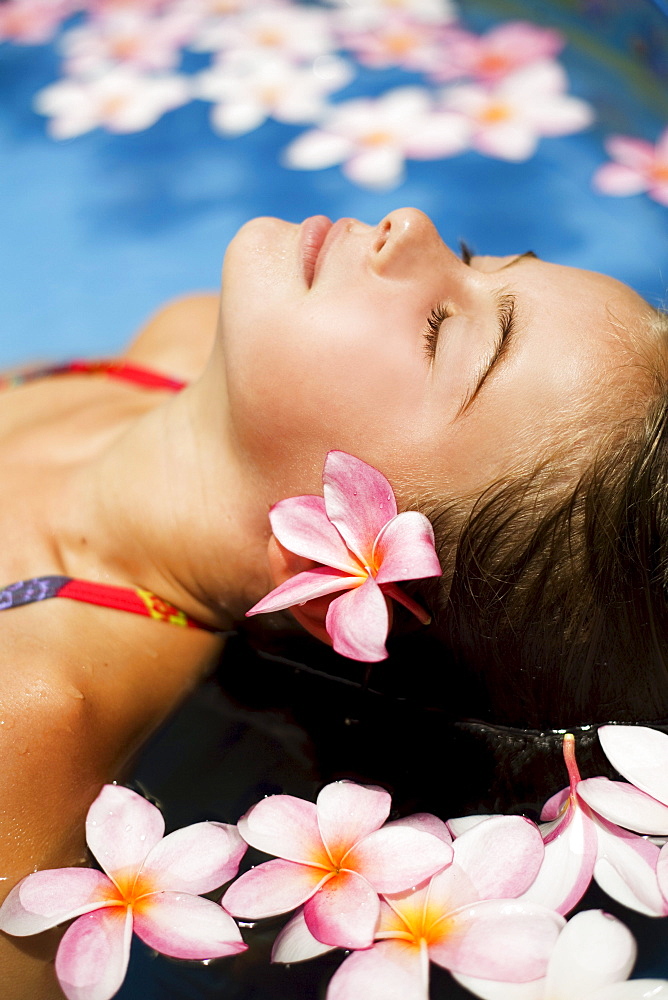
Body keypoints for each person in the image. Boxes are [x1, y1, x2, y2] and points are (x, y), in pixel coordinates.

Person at [0, 207, 666, 998]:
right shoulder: (187, 336)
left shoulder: (31, 711)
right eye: (474, 257)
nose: (410, 225)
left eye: (439, 327)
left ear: (340, 576)